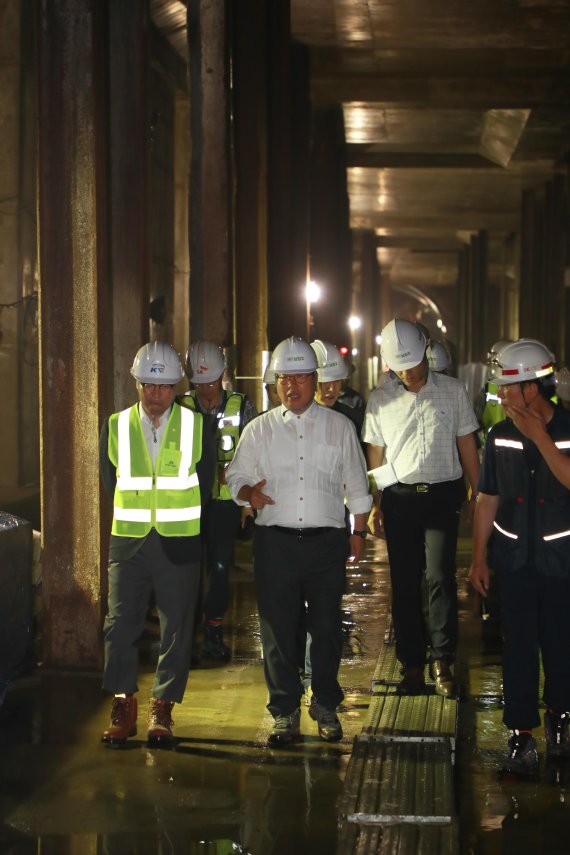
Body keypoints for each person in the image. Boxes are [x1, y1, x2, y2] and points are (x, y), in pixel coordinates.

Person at [225, 336, 371, 746]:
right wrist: (246, 492)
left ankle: (325, 704)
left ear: (314, 379)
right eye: (284, 378)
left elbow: (357, 485)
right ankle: (285, 711)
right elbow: (235, 475)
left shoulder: (339, 427)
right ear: (275, 383)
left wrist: (358, 532)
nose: (292, 386)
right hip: (275, 543)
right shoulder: (259, 430)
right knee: (278, 630)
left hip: (327, 543)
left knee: (326, 628)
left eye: (301, 377)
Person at [99, 341, 215, 747]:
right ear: (137, 383)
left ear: (176, 386)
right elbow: (109, 480)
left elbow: (204, 484)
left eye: (164, 386)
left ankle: (162, 708)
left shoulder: (196, 425)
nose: (155, 393)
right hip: (128, 540)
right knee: (118, 627)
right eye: (148, 384)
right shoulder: (115, 425)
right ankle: (123, 703)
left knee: (177, 629)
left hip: (178, 541)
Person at [468, 339, 570, 776]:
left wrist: (541, 438)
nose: (501, 396)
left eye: (508, 388)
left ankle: (561, 719)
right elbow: (487, 498)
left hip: (561, 562)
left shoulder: (566, 429)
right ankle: (521, 734)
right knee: (519, 649)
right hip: (513, 561)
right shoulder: (499, 434)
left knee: (561, 646)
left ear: (532, 389)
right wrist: (478, 557)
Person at [363, 319, 480, 697]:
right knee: (405, 582)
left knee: (440, 578)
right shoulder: (381, 400)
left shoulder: (453, 391)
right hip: (399, 500)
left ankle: (442, 660)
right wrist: (376, 504)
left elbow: (467, 445)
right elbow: (376, 456)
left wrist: (478, 492)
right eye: (401, 368)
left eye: (413, 366)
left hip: (443, 495)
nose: (408, 374)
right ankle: (412, 665)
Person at [180, 340, 257, 661]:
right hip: (187, 502)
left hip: (226, 503)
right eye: (199, 384)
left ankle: (213, 630)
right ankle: (184, 631)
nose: (206, 390)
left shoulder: (242, 406)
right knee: (187, 569)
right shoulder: (180, 406)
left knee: (221, 567)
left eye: (211, 382)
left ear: (223, 374)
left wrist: (245, 498)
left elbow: (255, 451)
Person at [311, 339, 364, 437]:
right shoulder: (294, 420)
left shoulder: (353, 420)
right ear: (310, 381)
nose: (331, 388)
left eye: (336, 380)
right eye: (324, 382)